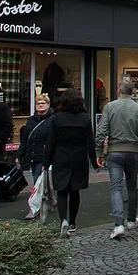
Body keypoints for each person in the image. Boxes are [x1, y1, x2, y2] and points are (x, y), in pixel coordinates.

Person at [96, 79, 138, 240]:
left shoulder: (109, 107)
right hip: (132, 152)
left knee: (116, 187)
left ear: (119, 91)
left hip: (114, 152)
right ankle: (131, 219)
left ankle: (118, 224)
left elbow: (101, 132)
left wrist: (99, 152)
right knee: (131, 186)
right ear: (132, 92)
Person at [43, 89, 97, 237]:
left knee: (62, 190)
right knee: (75, 191)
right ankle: (73, 222)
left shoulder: (56, 119)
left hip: (61, 156)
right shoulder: (85, 119)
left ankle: (63, 220)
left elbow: (50, 142)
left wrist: (46, 162)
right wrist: (95, 162)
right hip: (79, 157)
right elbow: (90, 143)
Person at [16, 94, 53, 219]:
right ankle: (50, 200)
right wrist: (19, 155)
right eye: (38, 103)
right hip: (31, 155)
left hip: (44, 156)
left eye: (43, 103)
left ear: (48, 105)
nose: (41, 105)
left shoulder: (52, 120)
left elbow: (52, 140)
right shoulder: (31, 120)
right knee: (40, 181)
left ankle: (33, 209)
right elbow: (25, 139)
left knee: (38, 182)